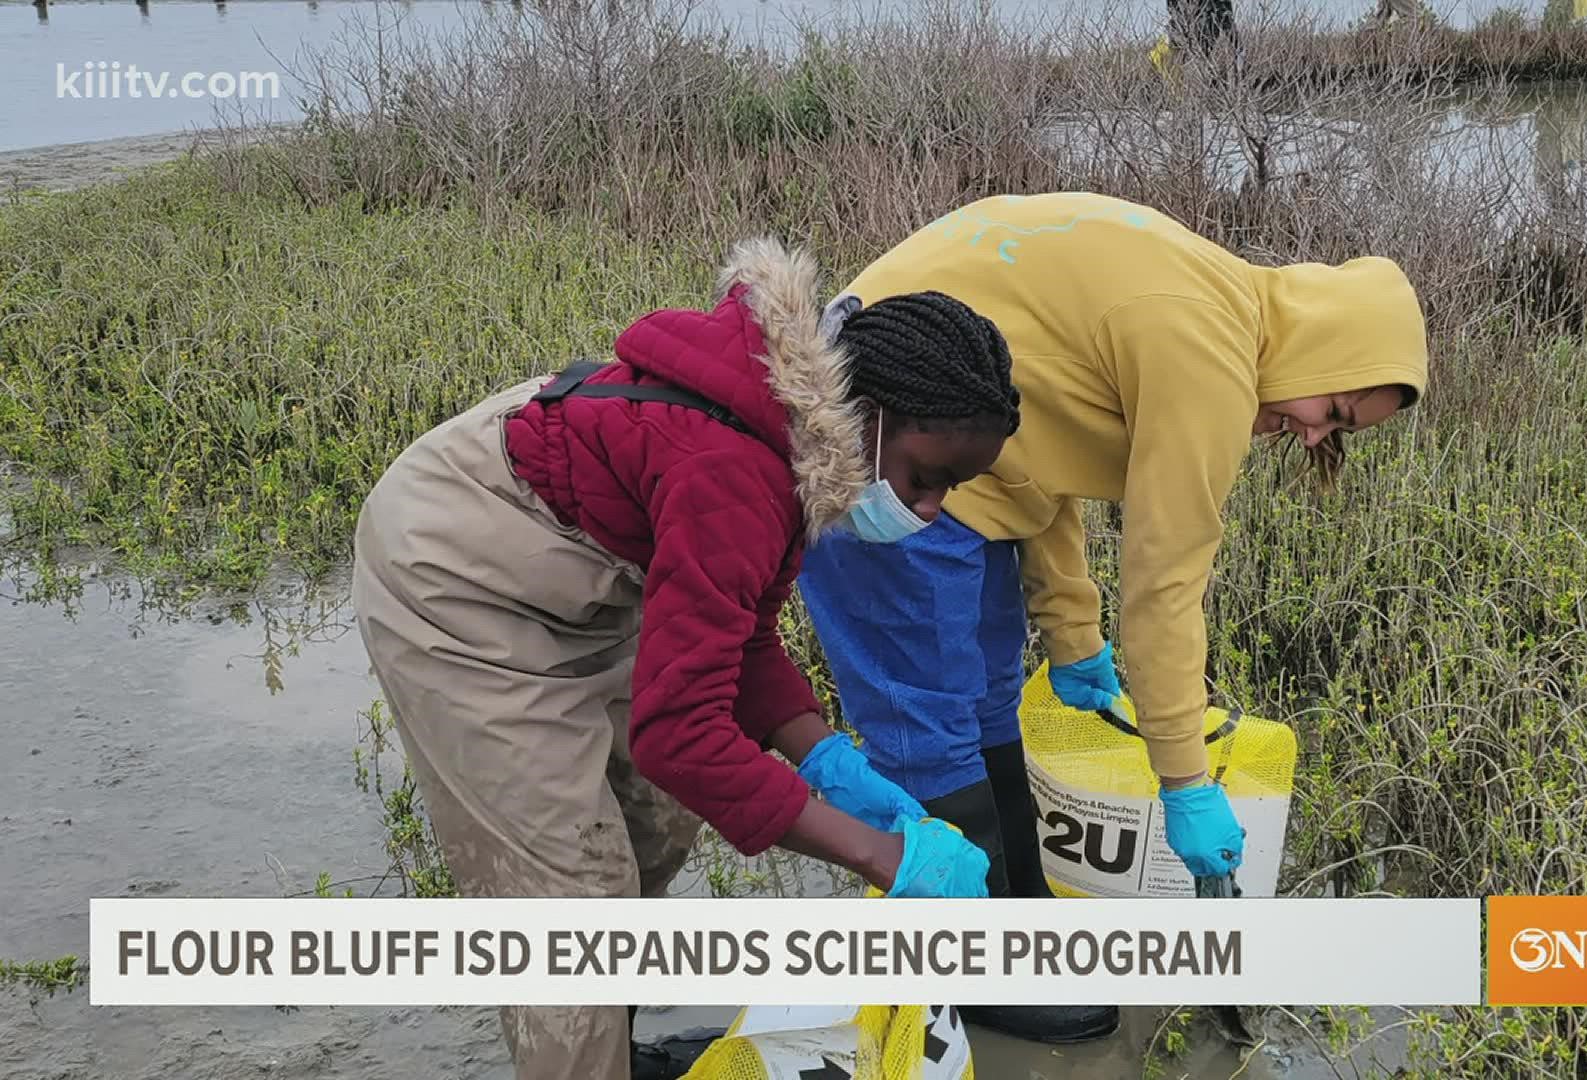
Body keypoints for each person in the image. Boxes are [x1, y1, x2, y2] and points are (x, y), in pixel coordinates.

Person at [348, 237, 1021, 1080]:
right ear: (872, 411)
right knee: (574, 907)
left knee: (658, 819)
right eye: (925, 477)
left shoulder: (802, 442)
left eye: (950, 491)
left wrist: (827, 757)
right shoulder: (738, 473)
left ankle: (609, 1040)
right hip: (454, 571)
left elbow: (737, 628)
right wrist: (883, 857)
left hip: (579, 562)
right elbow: (682, 735)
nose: (927, 510)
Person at [796, 192, 1431, 1044]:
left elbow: (1042, 448)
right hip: (883, 450)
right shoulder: (1209, 349)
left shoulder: (1220, 303)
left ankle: (1017, 915)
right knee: (929, 725)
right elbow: (1165, 587)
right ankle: (964, 969)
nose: (1316, 438)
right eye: (1337, 413)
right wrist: (1185, 782)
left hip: (960, 456)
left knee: (988, 699)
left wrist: (1072, 635)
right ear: (1327, 347)